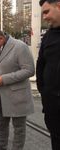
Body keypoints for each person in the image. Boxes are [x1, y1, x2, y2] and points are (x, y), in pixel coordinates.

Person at [0, 27, 35, 150]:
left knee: (19, 130)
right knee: (1, 128)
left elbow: (29, 70)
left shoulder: (20, 46)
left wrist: (4, 79)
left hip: (18, 97)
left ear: (1, 38)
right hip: (0, 98)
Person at [37, 0, 60, 149]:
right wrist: (44, 92)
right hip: (53, 107)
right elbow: (41, 64)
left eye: (46, 12)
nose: (44, 17)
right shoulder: (48, 36)